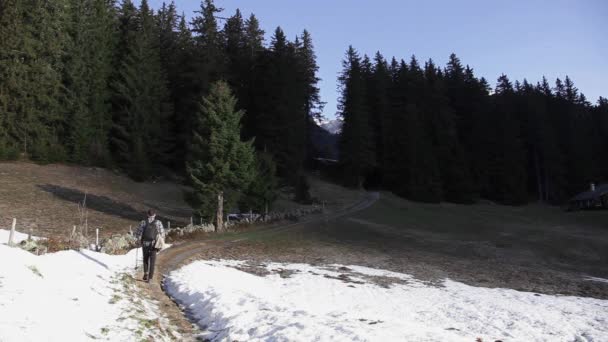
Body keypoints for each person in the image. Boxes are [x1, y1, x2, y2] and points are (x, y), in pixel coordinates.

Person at [136, 209, 165, 283]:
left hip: (145, 243)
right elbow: (162, 234)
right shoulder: (158, 222)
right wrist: (161, 243)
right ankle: (150, 278)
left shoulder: (143, 222)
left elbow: (138, 233)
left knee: (145, 258)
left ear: (147, 215)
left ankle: (145, 273)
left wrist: (138, 240)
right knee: (152, 261)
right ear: (155, 215)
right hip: (154, 244)